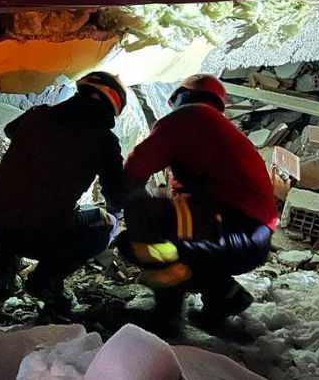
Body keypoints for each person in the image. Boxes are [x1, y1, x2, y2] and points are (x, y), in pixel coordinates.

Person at [118, 74, 276, 330]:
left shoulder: (187, 116)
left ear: (180, 97)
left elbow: (135, 167)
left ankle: (166, 315)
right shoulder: (220, 132)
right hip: (251, 239)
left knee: (143, 223)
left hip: (229, 226)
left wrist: (120, 204)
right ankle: (224, 295)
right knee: (177, 236)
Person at [0, 72, 127, 314]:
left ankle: (2, 273)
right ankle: (46, 281)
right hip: (42, 233)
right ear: (112, 108)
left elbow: (11, 130)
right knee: (105, 223)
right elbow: (117, 196)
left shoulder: (39, 114)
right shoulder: (104, 141)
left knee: (20, 201)